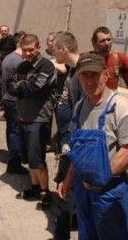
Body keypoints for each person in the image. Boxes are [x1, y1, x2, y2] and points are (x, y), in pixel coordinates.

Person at [59, 53, 128, 240]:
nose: (89, 81)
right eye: (84, 75)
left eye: (94, 74)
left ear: (106, 74)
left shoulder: (121, 105)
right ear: (78, 77)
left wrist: (101, 178)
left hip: (109, 193)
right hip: (83, 190)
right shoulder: (80, 106)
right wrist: (68, 179)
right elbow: (78, 150)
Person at [7, 34, 57, 209]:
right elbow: (9, 85)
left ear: (38, 47)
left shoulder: (47, 66)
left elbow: (33, 88)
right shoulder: (22, 65)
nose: (28, 53)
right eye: (25, 50)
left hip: (38, 119)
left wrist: (21, 86)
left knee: (38, 159)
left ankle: (45, 192)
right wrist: (22, 86)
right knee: (28, 158)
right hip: (23, 116)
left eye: (31, 49)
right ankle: (35, 188)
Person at [52, 31, 83, 240]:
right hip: (67, 134)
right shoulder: (72, 70)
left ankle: (62, 232)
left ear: (64, 49)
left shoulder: (82, 73)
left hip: (74, 138)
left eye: (55, 49)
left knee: (66, 182)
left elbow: (82, 109)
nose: (53, 53)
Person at [0, 31, 28, 174]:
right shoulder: (19, 61)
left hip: (7, 99)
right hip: (15, 101)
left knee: (11, 130)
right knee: (16, 132)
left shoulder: (8, 57)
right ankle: (14, 163)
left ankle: (12, 157)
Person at [91, 26, 128, 97]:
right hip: (91, 100)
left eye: (109, 39)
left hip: (110, 101)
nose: (107, 43)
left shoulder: (121, 58)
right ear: (95, 43)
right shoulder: (88, 59)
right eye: (102, 41)